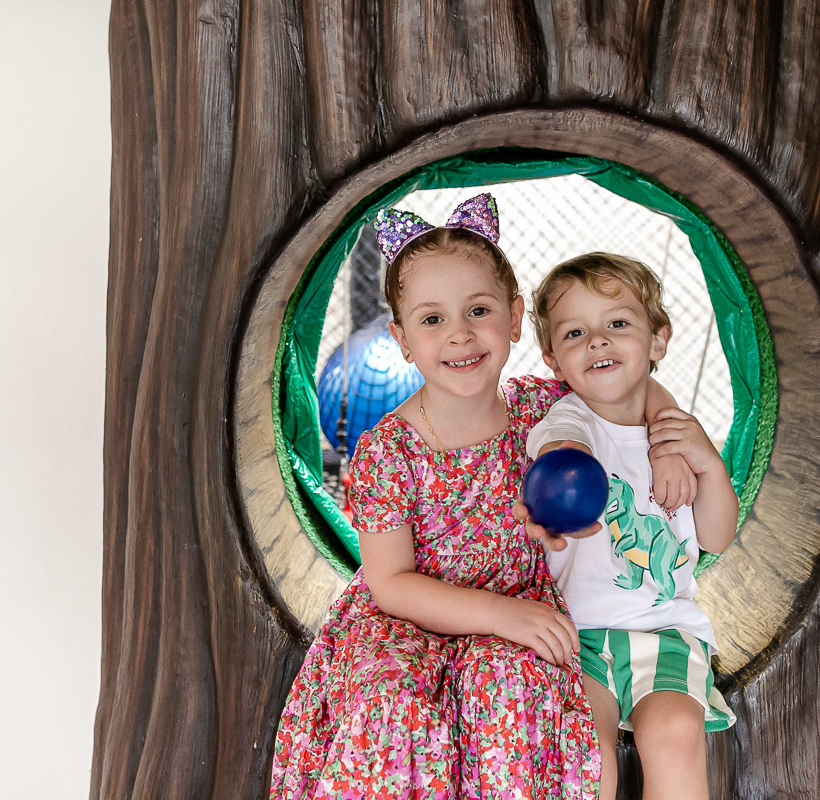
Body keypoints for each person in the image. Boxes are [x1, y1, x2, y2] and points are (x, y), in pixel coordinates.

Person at [269, 195, 701, 800]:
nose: (460, 335)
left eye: (478, 310)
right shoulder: (387, 450)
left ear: (517, 317)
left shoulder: (540, 408)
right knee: (390, 702)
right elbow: (390, 582)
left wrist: (668, 436)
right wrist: (502, 614)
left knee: (515, 683)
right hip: (412, 619)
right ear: (400, 337)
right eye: (432, 319)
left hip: (523, 605)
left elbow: (626, 378)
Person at [520, 252, 739, 800]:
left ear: (658, 341)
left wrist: (707, 465)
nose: (597, 340)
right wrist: (564, 470)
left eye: (617, 324)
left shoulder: (681, 433)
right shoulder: (571, 419)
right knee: (585, 754)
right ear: (553, 359)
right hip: (580, 636)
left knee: (676, 736)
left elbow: (716, 537)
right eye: (575, 333)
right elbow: (559, 444)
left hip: (665, 629)